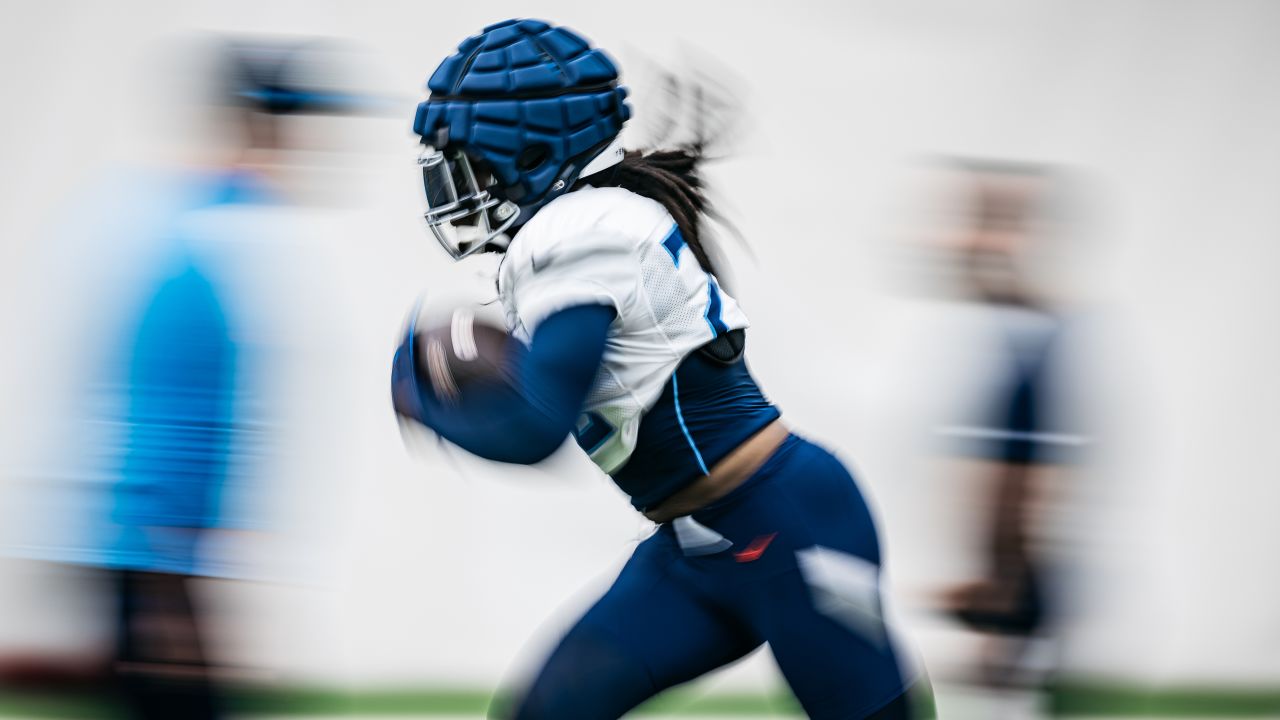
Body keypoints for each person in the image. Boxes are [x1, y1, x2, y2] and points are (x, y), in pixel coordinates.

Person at [392, 19, 926, 720]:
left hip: (785, 524)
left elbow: (534, 429)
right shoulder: (587, 226)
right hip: (697, 545)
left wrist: (421, 397)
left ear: (527, 151)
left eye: (467, 159)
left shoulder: (574, 233)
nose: (453, 179)